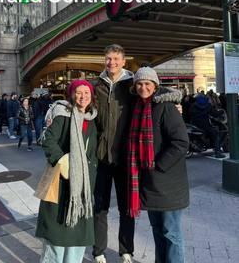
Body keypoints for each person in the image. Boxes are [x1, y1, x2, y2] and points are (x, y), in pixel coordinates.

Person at [127, 67, 189, 263]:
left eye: (147, 83)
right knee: (157, 231)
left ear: (155, 86)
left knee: (171, 233)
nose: (143, 87)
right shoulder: (136, 107)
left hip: (168, 183)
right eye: (139, 83)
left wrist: (158, 166)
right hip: (149, 183)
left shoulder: (167, 107)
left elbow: (180, 142)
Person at [36, 79, 98, 263]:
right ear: (71, 95)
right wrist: (63, 161)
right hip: (62, 183)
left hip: (83, 186)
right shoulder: (63, 115)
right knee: (56, 235)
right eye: (78, 92)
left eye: (87, 93)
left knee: (78, 237)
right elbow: (48, 140)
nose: (83, 97)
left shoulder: (92, 118)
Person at [93, 44, 135, 263]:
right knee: (100, 207)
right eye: (108, 58)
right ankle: (99, 250)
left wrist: (174, 103)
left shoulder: (132, 84)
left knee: (126, 206)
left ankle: (126, 249)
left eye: (116, 59)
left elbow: (154, 95)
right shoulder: (97, 85)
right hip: (102, 155)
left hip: (125, 156)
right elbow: (80, 104)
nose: (112, 63)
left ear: (123, 61)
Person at [189, 94, 225, 158]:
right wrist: (221, 112)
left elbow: (189, 113)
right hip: (205, 125)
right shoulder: (208, 106)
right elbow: (214, 114)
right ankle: (217, 152)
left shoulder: (193, 105)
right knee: (216, 134)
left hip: (194, 124)